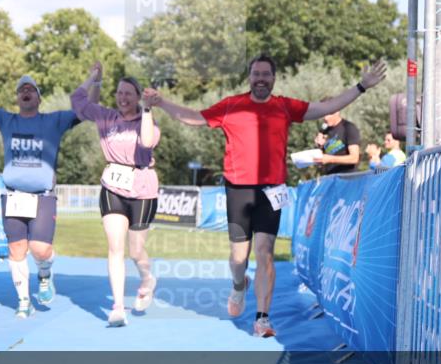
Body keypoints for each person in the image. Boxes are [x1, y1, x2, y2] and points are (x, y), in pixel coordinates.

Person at [145, 53, 386, 338]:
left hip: (271, 190)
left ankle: (262, 319)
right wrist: (162, 103)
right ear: (250, 77)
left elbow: (327, 106)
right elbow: (195, 118)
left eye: (265, 74)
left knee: (265, 252)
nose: (260, 79)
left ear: (273, 78)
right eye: (256, 74)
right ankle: (239, 285)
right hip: (238, 190)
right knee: (238, 257)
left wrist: (361, 86)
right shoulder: (232, 105)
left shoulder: (284, 106)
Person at [0, 55, 97, 319]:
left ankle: (45, 274)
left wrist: (95, 78)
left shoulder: (54, 121)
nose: (25, 92)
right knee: (16, 250)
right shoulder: (6, 120)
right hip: (13, 196)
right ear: (17, 99)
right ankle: (24, 301)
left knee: (40, 249)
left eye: (31, 89)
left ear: (38, 98)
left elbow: (87, 108)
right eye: (21, 90)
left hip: (42, 197)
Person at [72, 62, 159, 327]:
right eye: (119, 92)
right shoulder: (106, 117)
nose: (123, 98)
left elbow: (147, 142)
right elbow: (77, 100)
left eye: (128, 93)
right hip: (112, 187)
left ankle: (147, 278)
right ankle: (118, 307)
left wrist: (147, 109)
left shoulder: (147, 120)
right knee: (115, 247)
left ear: (138, 97)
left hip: (142, 188)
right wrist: (95, 78)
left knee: (136, 251)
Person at [314, 107, 361, 175]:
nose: (325, 118)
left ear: (337, 112)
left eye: (328, 114)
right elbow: (322, 162)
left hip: (347, 177)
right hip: (330, 178)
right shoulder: (324, 132)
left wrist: (330, 159)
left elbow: (354, 158)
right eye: (323, 114)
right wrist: (319, 147)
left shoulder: (348, 127)